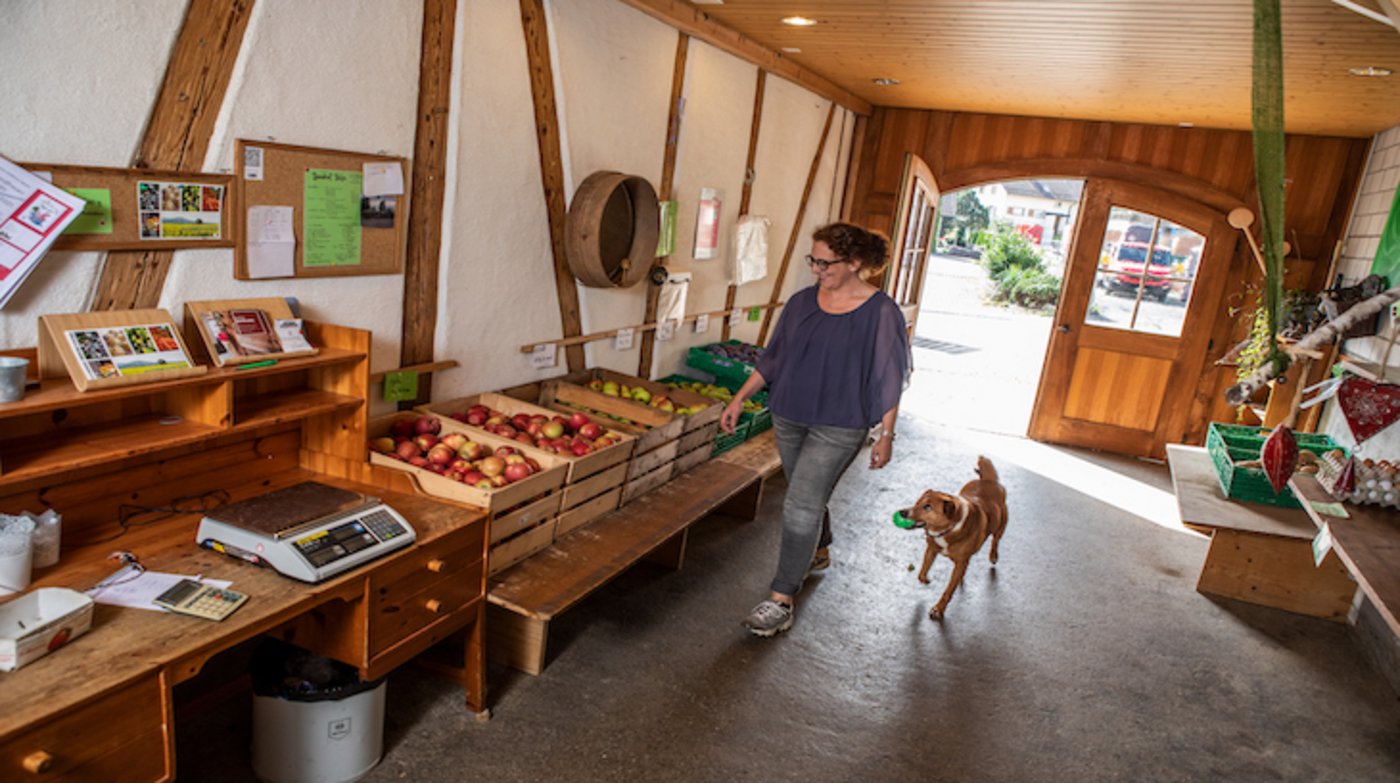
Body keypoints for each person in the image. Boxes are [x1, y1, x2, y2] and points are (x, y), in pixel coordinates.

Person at [719, 222, 911, 637]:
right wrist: (739, 397)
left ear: (854, 263)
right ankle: (818, 550)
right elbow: (774, 357)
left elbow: (889, 376)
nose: (816, 270)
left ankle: (780, 599)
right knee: (806, 494)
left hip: (841, 424)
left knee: (801, 504)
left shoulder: (881, 312)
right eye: (814, 260)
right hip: (788, 414)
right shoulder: (802, 303)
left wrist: (887, 435)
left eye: (825, 263)